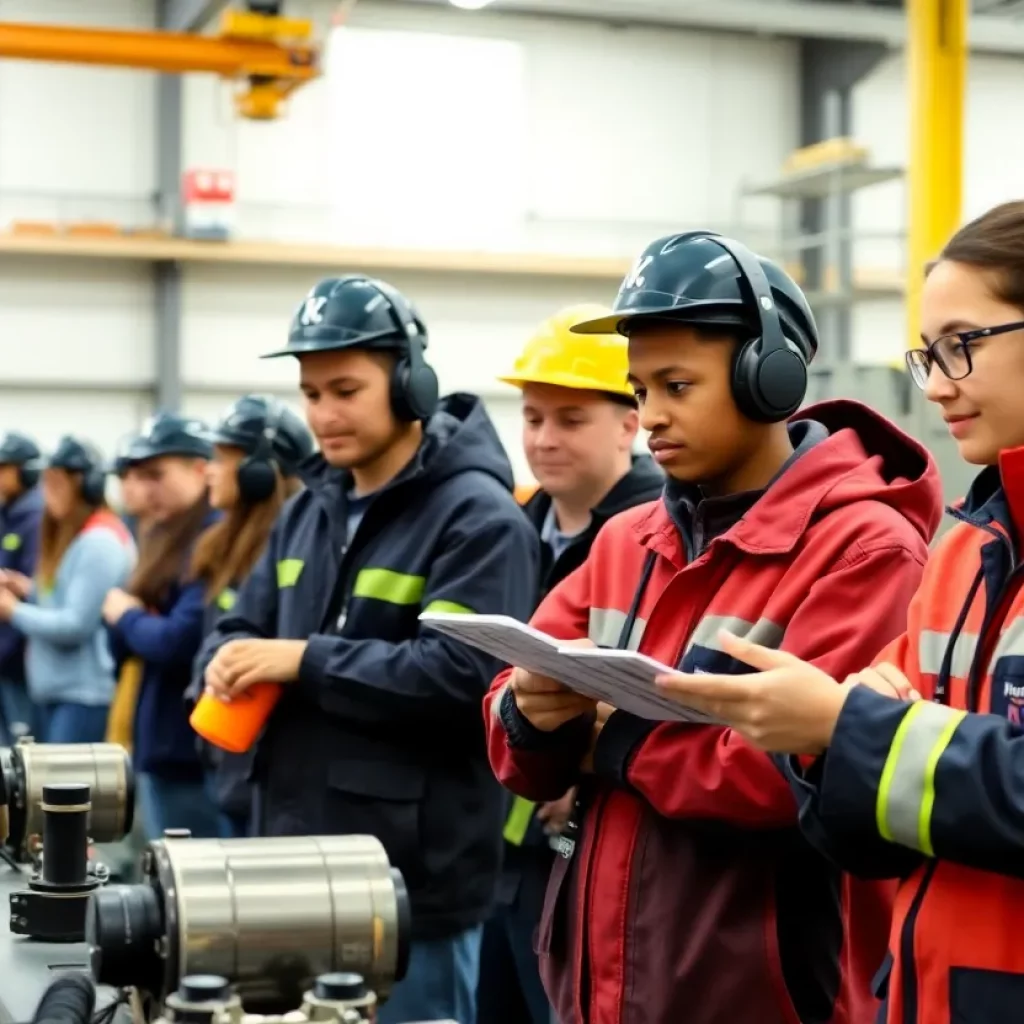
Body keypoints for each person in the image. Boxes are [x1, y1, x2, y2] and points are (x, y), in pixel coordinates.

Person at [482, 231, 944, 1024]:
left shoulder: (863, 547)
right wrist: (530, 711)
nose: (651, 416)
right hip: (599, 985)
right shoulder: (627, 540)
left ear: (770, 378)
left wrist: (611, 740)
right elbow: (510, 725)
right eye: (639, 391)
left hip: (754, 990)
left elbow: (791, 773)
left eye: (676, 385)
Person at [652, 202, 1024, 1024]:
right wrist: (827, 751)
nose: (935, 383)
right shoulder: (966, 551)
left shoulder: (902, 544)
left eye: (962, 344)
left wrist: (847, 727)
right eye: (928, 353)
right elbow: (867, 835)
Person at [195, 275, 540, 1024]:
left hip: (408, 887)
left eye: (345, 389)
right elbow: (241, 620)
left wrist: (303, 660)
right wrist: (229, 654)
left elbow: (464, 676)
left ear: (411, 384)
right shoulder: (308, 510)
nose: (323, 414)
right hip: (290, 868)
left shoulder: (476, 520)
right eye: (311, 393)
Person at [479, 304, 663, 1024]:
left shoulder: (656, 541)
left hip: (596, 852)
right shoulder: (521, 529)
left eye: (570, 419)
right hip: (511, 843)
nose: (544, 439)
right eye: (532, 418)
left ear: (629, 423)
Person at [189, 394, 313, 838]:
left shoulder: (284, 544)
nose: (209, 469)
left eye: (223, 458)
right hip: (224, 753)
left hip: (255, 770)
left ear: (261, 474)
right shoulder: (223, 543)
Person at [102, 412, 220, 841]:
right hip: (158, 733)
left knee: (189, 879)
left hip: (186, 743)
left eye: (156, 474)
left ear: (199, 469)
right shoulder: (164, 535)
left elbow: (177, 641)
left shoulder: (212, 537)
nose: (144, 489)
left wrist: (127, 616)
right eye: (136, 476)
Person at [0, 437, 134, 743]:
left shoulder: (98, 543)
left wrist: (13, 611)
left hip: (82, 695)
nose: (49, 494)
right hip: (60, 692)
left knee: (63, 790)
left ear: (88, 487)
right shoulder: (79, 537)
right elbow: (68, 599)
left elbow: (75, 624)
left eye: (59, 484)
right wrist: (26, 589)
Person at [0, 431, 44, 743]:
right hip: (6, 655)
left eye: (4, 468)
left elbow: (35, 590)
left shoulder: (36, 519)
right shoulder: (9, 515)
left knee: (22, 745)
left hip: (21, 658)